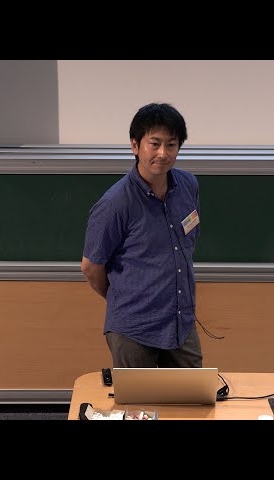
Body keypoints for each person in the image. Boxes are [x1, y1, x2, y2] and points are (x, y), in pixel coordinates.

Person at [81, 102, 202, 368]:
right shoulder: (115, 203)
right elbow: (91, 267)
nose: (163, 153)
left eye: (171, 145)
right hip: (134, 329)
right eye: (154, 144)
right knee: (139, 397)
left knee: (193, 393)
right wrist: (124, 297)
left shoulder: (188, 186)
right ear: (135, 146)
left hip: (180, 321)